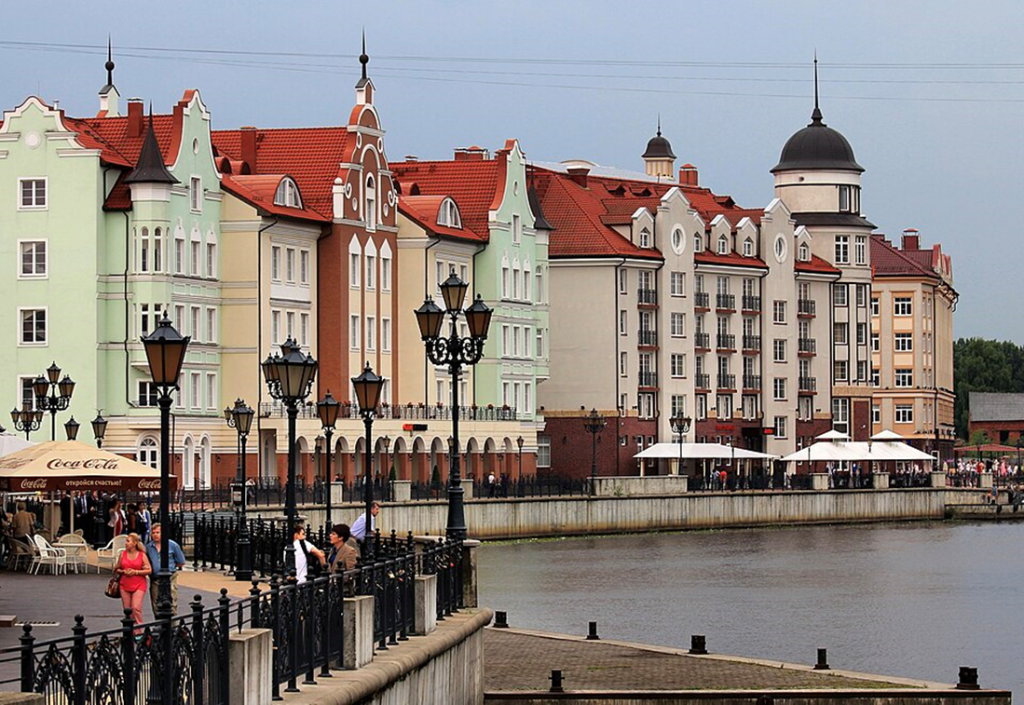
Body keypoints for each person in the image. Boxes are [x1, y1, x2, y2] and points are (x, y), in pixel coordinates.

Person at [145, 523, 186, 617]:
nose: (155, 535)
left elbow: (181, 561)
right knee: (156, 602)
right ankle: (159, 622)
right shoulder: (148, 547)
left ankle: (172, 624)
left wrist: (171, 567)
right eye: (153, 533)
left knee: (171, 601)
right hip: (155, 578)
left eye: (157, 532)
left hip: (170, 577)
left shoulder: (173, 545)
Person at [115, 533, 152, 632]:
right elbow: (117, 568)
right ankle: (129, 631)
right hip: (124, 584)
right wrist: (123, 571)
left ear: (135, 543)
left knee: (136, 608)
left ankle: (138, 631)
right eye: (126, 541)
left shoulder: (142, 555)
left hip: (139, 584)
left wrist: (136, 572)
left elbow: (149, 570)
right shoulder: (123, 554)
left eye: (128, 541)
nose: (126, 543)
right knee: (127, 610)